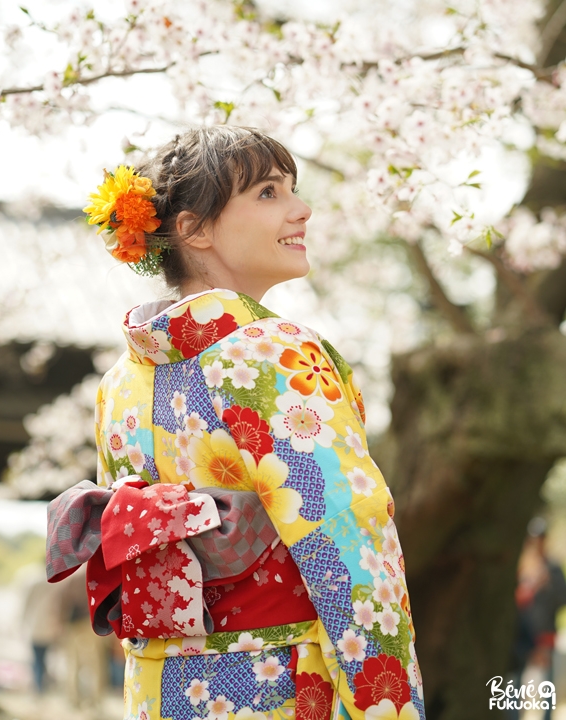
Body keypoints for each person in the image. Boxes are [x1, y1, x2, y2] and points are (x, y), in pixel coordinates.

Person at [64, 126, 424, 719]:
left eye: (292, 190)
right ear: (195, 230)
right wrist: (387, 706)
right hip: (282, 685)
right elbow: (350, 536)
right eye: (267, 193)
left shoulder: (119, 384)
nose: (301, 210)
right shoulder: (274, 351)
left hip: (158, 692)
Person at [508, 516, 566, 720]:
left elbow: (562, 598)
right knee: (514, 684)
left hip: (546, 634)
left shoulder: (553, 568)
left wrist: (546, 585)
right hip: (521, 636)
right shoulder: (520, 566)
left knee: (546, 686)